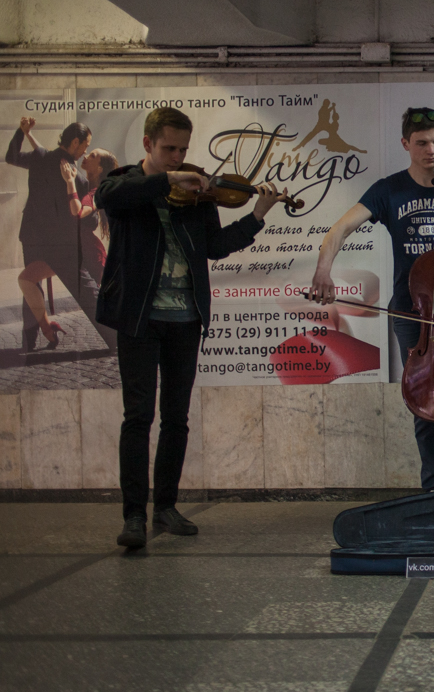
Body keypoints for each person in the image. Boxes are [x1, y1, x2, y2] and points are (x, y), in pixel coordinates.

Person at [96, 107, 286, 549]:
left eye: (183, 149)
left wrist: (257, 215)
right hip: (139, 319)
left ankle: (164, 507)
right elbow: (108, 198)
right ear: (147, 145)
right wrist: (167, 180)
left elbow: (215, 248)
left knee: (176, 419)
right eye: (169, 149)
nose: (179, 157)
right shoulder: (126, 183)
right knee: (138, 416)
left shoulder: (199, 194)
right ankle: (133, 517)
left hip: (185, 318)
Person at [311, 107, 434, 490]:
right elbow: (339, 229)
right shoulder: (388, 190)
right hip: (412, 311)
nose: (431, 150)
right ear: (405, 144)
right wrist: (323, 270)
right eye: (421, 143)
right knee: (424, 397)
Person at [5, 117, 115, 350]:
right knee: (84, 289)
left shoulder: (41, 158)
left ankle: (29, 341)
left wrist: (21, 132)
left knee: (30, 286)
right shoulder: (79, 179)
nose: (85, 150)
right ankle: (115, 338)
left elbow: (11, 157)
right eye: (86, 145)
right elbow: (86, 221)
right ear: (75, 142)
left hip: (32, 236)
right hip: (62, 244)